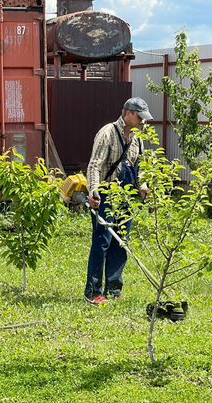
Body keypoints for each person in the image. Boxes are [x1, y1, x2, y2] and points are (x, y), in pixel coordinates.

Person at [84, 97, 153, 306]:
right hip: (105, 195)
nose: (143, 122)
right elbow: (94, 166)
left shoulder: (137, 138)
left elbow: (139, 166)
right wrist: (93, 192)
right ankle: (93, 291)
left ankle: (114, 287)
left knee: (121, 242)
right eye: (140, 117)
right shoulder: (107, 133)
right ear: (129, 113)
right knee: (102, 242)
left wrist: (142, 186)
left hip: (127, 197)